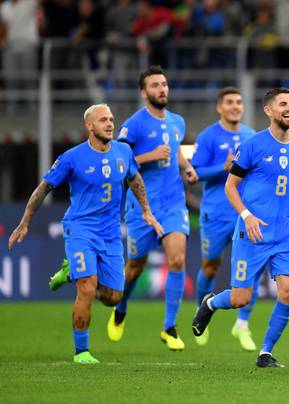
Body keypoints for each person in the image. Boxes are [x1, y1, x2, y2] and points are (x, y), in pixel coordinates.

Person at [8, 104, 163, 364]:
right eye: (103, 120)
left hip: (111, 233)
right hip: (81, 229)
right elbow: (43, 188)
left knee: (114, 297)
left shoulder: (124, 151)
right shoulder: (72, 157)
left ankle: (70, 273)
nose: (110, 123)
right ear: (89, 126)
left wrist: (146, 211)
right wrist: (24, 223)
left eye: (111, 119)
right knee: (88, 288)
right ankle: (82, 351)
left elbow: (135, 180)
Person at [192, 88, 289, 368]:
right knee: (240, 298)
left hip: (284, 234)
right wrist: (246, 216)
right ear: (269, 110)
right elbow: (231, 186)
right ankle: (209, 304)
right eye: (283, 104)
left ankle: (265, 352)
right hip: (251, 233)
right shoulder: (254, 145)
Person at [107, 65, 198, 351]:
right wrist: (148, 156)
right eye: (156, 85)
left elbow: (175, 151)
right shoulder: (134, 124)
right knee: (134, 268)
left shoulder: (177, 122)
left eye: (165, 84)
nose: (162, 89)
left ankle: (169, 327)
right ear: (144, 92)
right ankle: (120, 308)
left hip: (173, 203)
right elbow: (118, 161)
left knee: (178, 260)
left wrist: (188, 167)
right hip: (142, 206)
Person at [191, 87, 259, 350]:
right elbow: (195, 173)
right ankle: (202, 313)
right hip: (216, 213)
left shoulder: (251, 136)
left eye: (239, 102)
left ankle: (242, 324)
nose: (235, 106)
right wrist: (223, 167)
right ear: (220, 107)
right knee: (210, 266)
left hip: (244, 213)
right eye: (229, 102)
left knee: (249, 268)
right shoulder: (208, 136)